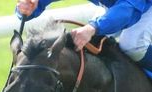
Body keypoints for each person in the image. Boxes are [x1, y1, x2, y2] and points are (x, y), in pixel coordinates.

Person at [17, 0, 152, 67]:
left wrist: (94, 27)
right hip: (117, 5)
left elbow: (128, 10)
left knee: (133, 46)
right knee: (92, 42)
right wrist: (30, 6)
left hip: (139, 5)